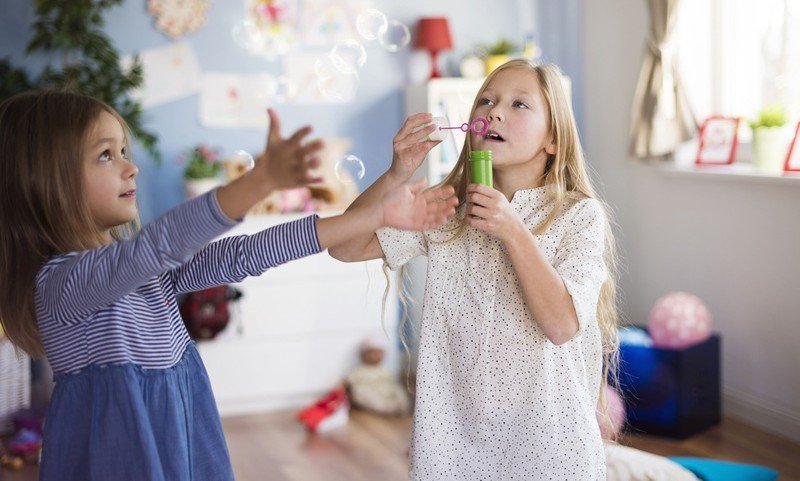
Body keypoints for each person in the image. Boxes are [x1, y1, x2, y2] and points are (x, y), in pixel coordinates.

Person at [0, 89, 457, 481]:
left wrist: (373, 216)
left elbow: (245, 254)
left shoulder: (141, 277)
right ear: (47, 182)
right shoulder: (64, 284)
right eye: (105, 155)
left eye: (124, 151)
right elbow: (158, 245)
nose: (130, 168)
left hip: (177, 443)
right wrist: (260, 181)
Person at [330, 60, 620, 480]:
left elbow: (561, 325)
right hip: (452, 445)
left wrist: (513, 231)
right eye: (486, 100)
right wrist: (397, 174)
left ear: (553, 139)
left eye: (519, 105)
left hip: (549, 447)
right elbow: (343, 245)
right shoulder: (446, 208)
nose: (493, 112)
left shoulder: (578, 215)